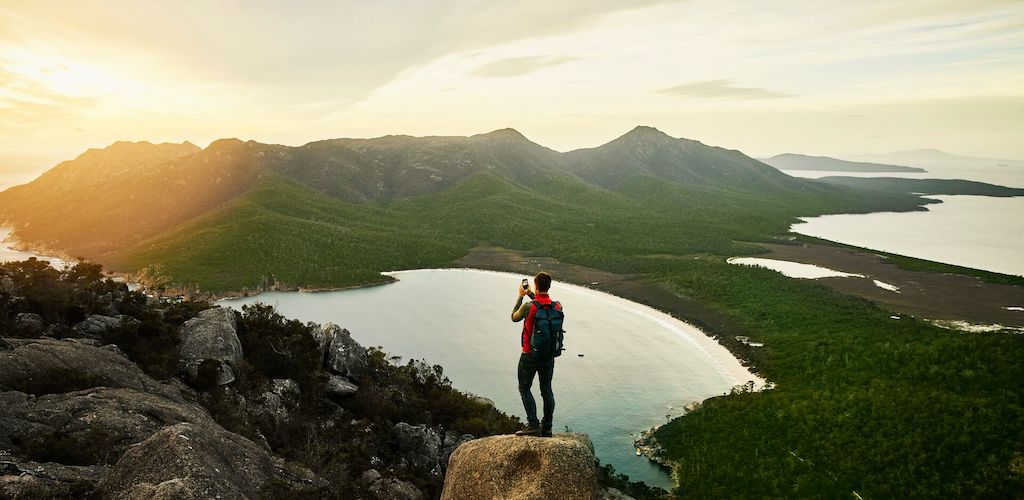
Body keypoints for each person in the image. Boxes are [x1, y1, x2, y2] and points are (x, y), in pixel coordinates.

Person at [511, 271, 561, 437]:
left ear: (536, 285)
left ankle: (533, 425)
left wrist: (520, 296)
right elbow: (541, 305)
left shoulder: (529, 306)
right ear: (548, 286)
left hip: (529, 355)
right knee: (547, 389)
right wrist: (531, 294)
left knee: (524, 388)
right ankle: (547, 427)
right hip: (549, 356)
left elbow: (514, 317)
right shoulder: (557, 306)